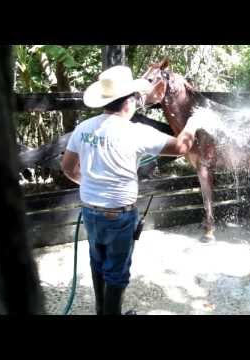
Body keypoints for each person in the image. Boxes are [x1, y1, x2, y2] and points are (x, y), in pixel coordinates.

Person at [61, 65, 198, 315]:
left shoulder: (83, 129)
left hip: (91, 213)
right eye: (135, 98)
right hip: (119, 217)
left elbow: (68, 168)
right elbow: (181, 147)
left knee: (97, 261)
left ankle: (102, 311)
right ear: (128, 102)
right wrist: (194, 122)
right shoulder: (135, 132)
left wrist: (91, 186)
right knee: (117, 272)